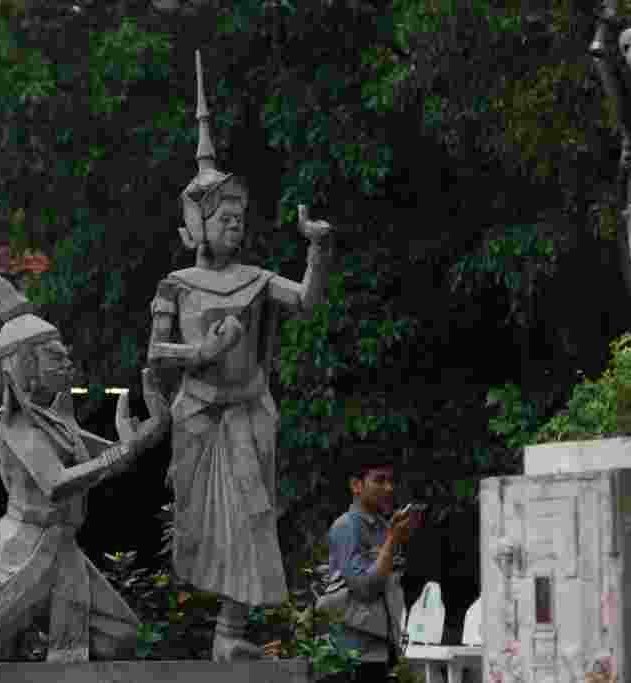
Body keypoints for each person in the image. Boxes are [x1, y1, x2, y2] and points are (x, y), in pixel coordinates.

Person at [146, 51, 334, 661]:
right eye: (224, 217)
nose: (235, 226)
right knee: (207, 532)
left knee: (254, 521)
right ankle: (223, 631)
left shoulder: (255, 278)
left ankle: (232, 633)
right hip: (201, 411)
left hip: (249, 409)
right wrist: (203, 349)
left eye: (240, 217)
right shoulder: (175, 284)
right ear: (196, 225)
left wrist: (318, 251)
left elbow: (304, 301)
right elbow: (157, 355)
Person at [0, 266, 171, 664]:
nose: (66, 364)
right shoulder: (15, 425)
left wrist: (144, 437)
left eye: (64, 355)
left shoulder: (58, 421)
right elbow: (56, 484)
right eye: (54, 357)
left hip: (60, 551)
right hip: (18, 552)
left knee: (121, 638)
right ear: (25, 367)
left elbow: (107, 463)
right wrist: (120, 451)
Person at [324, 457, 423, 681]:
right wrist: (392, 541)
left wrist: (396, 538)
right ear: (356, 485)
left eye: (391, 480)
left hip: (382, 652)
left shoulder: (383, 526)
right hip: (351, 656)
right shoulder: (346, 526)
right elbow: (364, 589)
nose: (389, 488)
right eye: (379, 480)